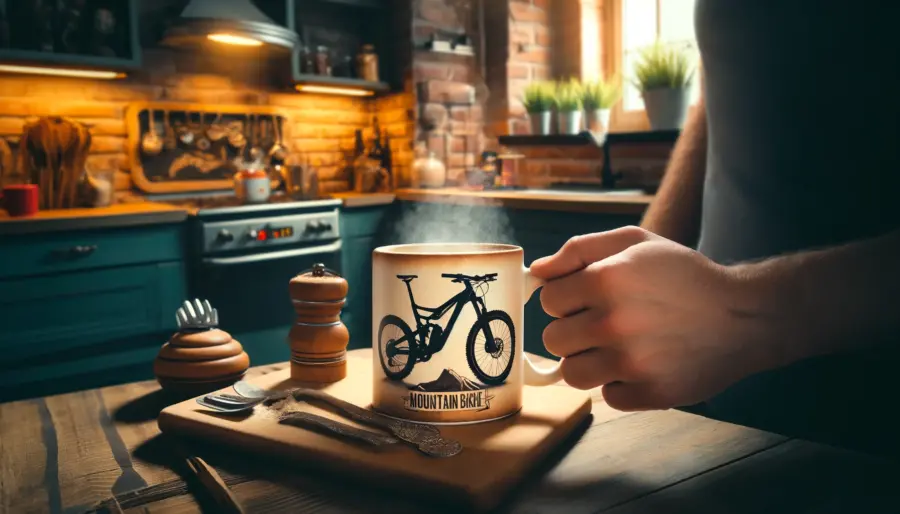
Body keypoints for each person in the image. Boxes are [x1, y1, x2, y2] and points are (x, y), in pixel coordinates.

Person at [530, 0, 900, 457]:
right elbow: (718, 91)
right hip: (710, 418)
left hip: (870, 435)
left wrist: (743, 314)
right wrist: (628, 274)